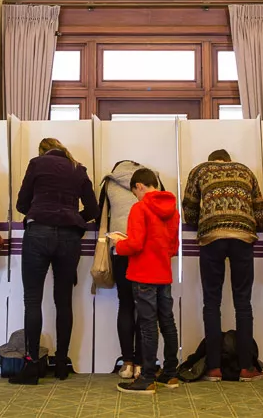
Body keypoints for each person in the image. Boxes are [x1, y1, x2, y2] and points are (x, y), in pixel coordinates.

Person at [10, 138, 99, 385]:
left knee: (32, 301)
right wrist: (73, 218)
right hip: (69, 239)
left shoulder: (36, 164)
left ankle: (31, 366)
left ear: (42, 152)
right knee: (63, 302)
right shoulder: (77, 169)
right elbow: (93, 210)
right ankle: (61, 364)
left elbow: (21, 204)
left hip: (38, 234)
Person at [183, 149, 263, 382]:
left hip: (211, 237)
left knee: (211, 302)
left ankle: (213, 368)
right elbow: (260, 212)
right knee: (243, 303)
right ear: (229, 161)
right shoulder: (245, 171)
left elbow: (189, 210)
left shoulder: (200, 170)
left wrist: (208, 217)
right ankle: (245, 368)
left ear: (212, 161)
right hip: (242, 237)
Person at [109, 169, 181, 395]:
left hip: (143, 275)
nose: (136, 197)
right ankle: (169, 373)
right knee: (167, 322)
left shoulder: (139, 209)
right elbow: (173, 247)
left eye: (134, 192)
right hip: (163, 274)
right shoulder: (173, 210)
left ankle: (147, 378)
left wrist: (119, 245)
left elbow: (136, 244)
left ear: (139, 186)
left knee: (148, 326)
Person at [99, 159, 150, 379]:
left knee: (126, 304)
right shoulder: (150, 180)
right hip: (145, 250)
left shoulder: (109, 182)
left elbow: (101, 215)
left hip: (120, 249)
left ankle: (127, 363)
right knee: (145, 306)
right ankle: (141, 363)